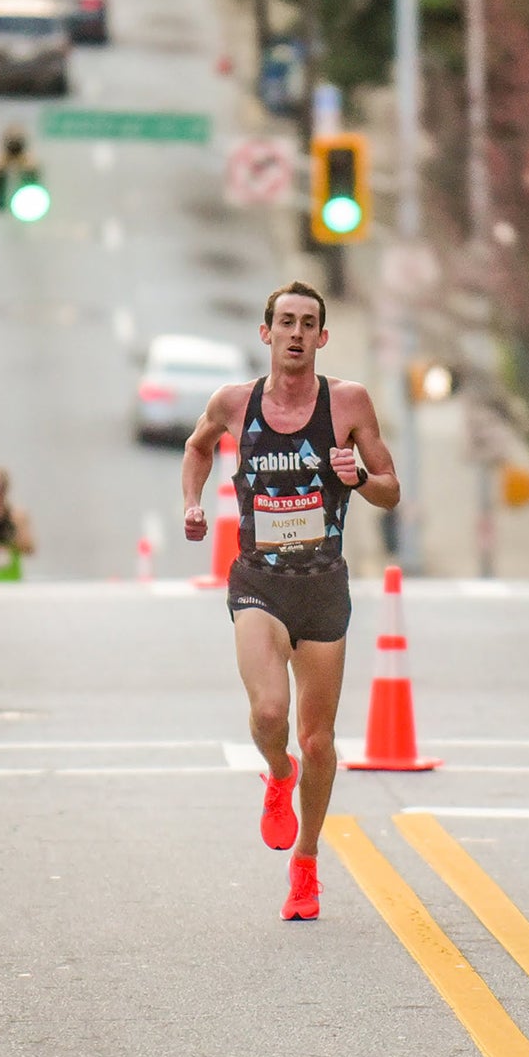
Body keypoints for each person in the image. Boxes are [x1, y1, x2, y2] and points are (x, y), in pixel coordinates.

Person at [182, 280, 398, 921]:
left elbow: (389, 489)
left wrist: (356, 475)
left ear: (323, 337)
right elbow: (197, 449)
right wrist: (193, 503)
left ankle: (304, 864)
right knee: (272, 713)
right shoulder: (233, 403)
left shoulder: (349, 403)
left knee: (321, 740)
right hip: (258, 583)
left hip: (324, 589)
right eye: (286, 322)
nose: (297, 333)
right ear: (266, 333)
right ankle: (278, 773)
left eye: (309, 323)